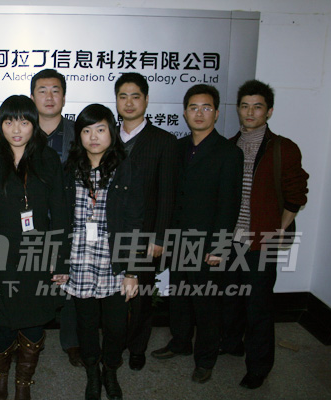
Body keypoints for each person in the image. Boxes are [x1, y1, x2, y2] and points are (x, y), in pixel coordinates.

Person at [0, 95, 69, 400]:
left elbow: (60, 213)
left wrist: (59, 259)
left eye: (24, 122)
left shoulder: (48, 159)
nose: (16, 129)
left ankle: (24, 383)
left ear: (34, 125)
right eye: (9, 121)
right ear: (0, 124)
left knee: (34, 322)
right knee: (1, 322)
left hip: (37, 255)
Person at [151, 84, 243, 384]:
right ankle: (180, 342)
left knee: (206, 305)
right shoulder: (177, 148)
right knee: (178, 297)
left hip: (206, 245)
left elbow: (229, 204)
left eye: (206, 108)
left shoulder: (229, 153)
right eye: (193, 107)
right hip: (178, 240)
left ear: (216, 113)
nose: (199, 113)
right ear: (185, 112)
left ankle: (205, 359)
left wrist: (219, 247)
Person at [220, 80, 309, 389]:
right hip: (230, 240)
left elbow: (296, 195)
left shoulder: (282, 148)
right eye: (245, 106)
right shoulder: (229, 145)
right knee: (230, 298)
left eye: (257, 107)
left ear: (269, 111)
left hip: (260, 243)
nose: (250, 112)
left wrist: (278, 230)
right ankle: (231, 344)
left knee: (258, 307)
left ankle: (258, 367)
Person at [63, 104, 143, 400]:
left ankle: (110, 369)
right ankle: (92, 372)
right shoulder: (70, 169)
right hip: (80, 259)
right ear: (79, 135)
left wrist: (132, 270)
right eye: (86, 130)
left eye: (100, 129)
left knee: (115, 326)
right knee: (85, 324)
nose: (93, 136)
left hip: (114, 263)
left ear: (112, 132)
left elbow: (135, 221)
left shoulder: (126, 168)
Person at [114, 73, 178, 371]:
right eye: (123, 96)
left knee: (141, 295)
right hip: (111, 231)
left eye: (135, 96)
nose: (129, 103)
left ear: (147, 99)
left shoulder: (163, 141)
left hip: (146, 233)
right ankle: (114, 343)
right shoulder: (106, 136)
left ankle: (137, 347)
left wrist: (160, 238)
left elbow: (167, 194)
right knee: (113, 295)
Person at [30, 68, 80, 367]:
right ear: (32, 96)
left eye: (55, 90)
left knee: (71, 282)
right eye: (42, 90)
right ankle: (30, 339)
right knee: (31, 281)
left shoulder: (79, 132)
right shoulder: (21, 130)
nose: (49, 97)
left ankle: (71, 341)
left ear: (63, 96)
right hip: (31, 222)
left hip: (70, 218)